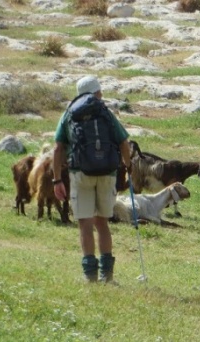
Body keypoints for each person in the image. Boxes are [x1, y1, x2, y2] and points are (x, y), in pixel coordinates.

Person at [53, 75, 132, 284]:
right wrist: (128, 166)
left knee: (85, 224)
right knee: (102, 223)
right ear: (97, 92)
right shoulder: (105, 113)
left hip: (81, 174)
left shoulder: (69, 113)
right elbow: (124, 142)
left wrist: (56, 180)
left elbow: (58, 148)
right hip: (107, 174)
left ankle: (90, 276)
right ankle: (107, 275)